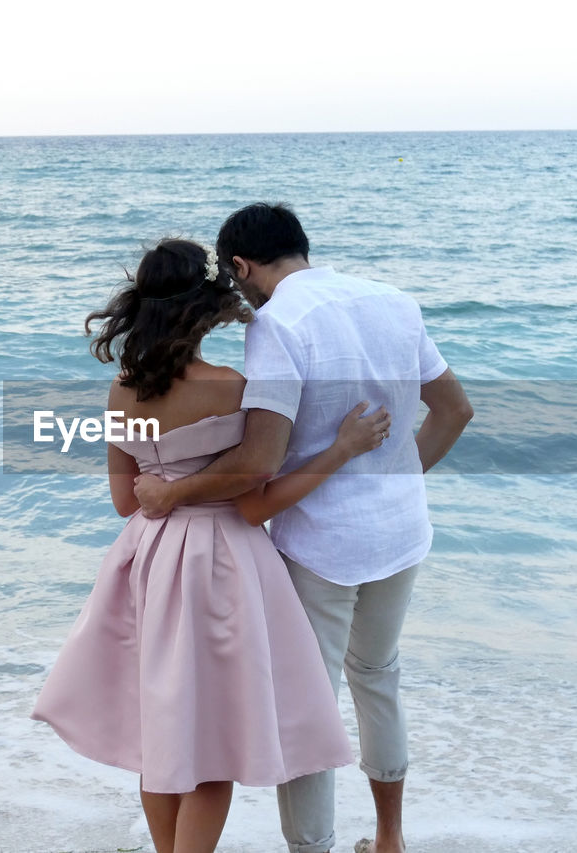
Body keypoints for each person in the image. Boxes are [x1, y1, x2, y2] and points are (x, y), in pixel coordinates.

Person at [31, 238, 397, 853]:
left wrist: (163, 487)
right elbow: (258, 491)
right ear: (204, 311)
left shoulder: (122, 391)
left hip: (146, 559)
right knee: (211, 747)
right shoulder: (232, 387)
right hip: (220, 562)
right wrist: (341, 450)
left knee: (163, 733)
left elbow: (126, 502)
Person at [133, 205, 473, 853]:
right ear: (301, 246)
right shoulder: (394, 300)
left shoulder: (277, 323)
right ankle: (391, 839)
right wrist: (395, 481)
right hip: (401, 531)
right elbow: (455, 410)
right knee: (378, 675)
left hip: (319, 544)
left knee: (307, 705)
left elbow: (258, 461)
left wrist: (173, 489)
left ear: (242, 266)